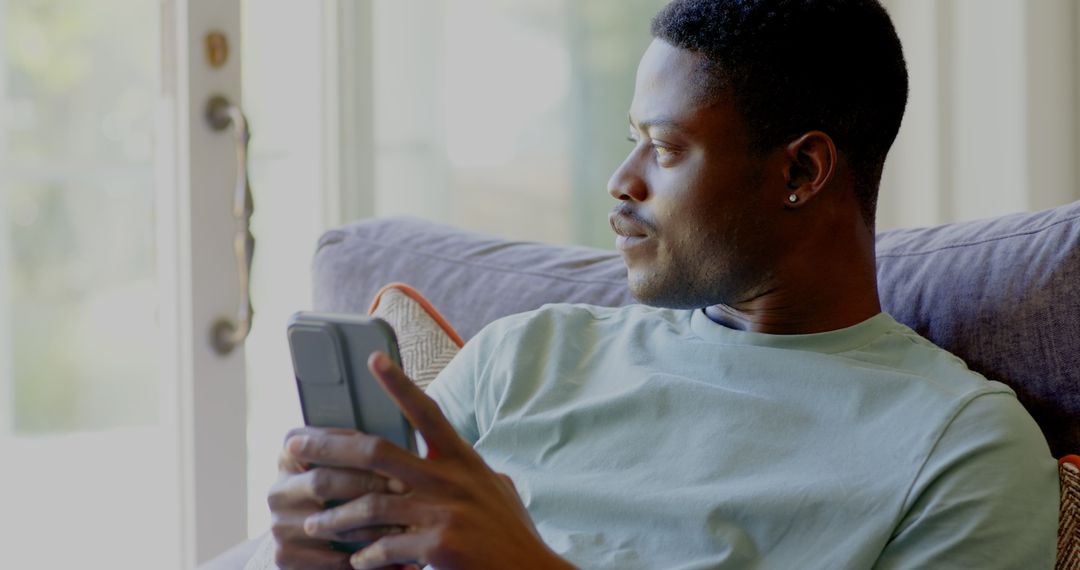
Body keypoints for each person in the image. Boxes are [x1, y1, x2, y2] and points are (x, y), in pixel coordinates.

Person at [266, 1, 1059, 568]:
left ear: (801, 170)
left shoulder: (961, 450)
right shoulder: (525, 358)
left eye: (665, 148)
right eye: (628, 142)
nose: (620, 181)